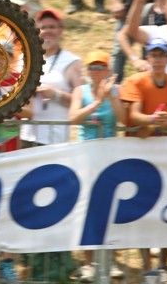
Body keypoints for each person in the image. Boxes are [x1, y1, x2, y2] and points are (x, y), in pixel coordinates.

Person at [119, 37, 167, 282]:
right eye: (154, 55)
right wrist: (152, 120)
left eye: (162, 55)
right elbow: (134, 115)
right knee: (141, 209)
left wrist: (153, 126)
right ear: (147, 58)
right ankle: (147, 266)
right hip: (140, 155)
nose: (158, 59)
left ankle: (164, 265)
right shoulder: (135, 80)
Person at [68, 50, 126, 283]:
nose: (96, 71)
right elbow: (73, 118)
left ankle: (110, 260)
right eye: (92, 66)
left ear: (108, 70)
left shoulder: (117, 90)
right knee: (88, 210)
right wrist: (97, 102)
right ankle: (88, 262)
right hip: (86, 156)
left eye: (100, 67)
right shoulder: (80, 91)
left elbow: (124, 119)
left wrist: (110, 97)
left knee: (109, 209)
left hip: (110, 156)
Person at [22, 8, 84, 147]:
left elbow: (84, 101)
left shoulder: (72, 62)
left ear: (61, 31)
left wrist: (55, 95)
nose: (47, 31)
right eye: (43, 27)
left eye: (52, 27)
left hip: (55, 140)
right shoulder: (25, 59)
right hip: (27, 136)